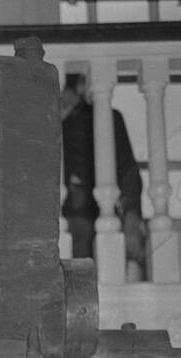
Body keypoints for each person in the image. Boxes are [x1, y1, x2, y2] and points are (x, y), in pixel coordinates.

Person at [61, 72, 146, 277]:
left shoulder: (107, 118)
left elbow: (128, 170)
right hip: (63, 218)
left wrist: (132, 213)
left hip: (96, 216)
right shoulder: (42, 122)